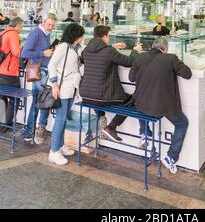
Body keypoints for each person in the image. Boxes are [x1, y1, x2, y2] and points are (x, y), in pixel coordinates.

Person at [129, 37, 192, 175]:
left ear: (152, 46)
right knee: (182, 123)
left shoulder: (140, 57)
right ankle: (171, 156)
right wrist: (177, 59)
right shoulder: (170, 59)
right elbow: (188, 74)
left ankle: (145, 133)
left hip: (140, 105)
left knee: (142, 106)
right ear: (165, 49)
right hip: (161, 107)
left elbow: (131, 78)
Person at [80, 25, 142, 142]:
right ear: (105, 37)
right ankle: (110, 128)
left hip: (86, 95)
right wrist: (135, 51)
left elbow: (96, 54)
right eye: (108, 37)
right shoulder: (109, 51)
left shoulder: (86, 50)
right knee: (133, 100)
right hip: (104, 96)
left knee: (95, 98)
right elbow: (129, 62)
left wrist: (112, 46)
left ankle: (101, 117)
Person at [48, 23, 85, 166]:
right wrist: (54, 84)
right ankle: (54, 151)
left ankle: (60, 145)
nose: (82, 38)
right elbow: (52, 64)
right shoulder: (63, 47)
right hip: (62, 89)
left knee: (63, 119)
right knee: (60, 119)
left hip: (71, 88)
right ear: (76, 36)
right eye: (81, 36)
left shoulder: (75, 48)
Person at [21, 13, 57, 144]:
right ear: (43, 21)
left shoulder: (46, 34)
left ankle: (33, 130)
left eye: (53, 25)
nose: (50, 27)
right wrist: (43, 53)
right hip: (38, 71)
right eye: (49, 24)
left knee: (40, 102)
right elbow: (25, 53)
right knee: (38, 102)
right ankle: (29, 131)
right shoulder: (36, 33)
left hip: (44, 71)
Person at [0, 18, 24, 133]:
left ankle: (1, 124)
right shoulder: (13, 34)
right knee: (14, 99)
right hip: (10, 72)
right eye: (21, 27)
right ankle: (6, 125)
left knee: (2, 98)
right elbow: (17, 52)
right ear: (18, 25)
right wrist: (22, 45)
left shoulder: (3, 32)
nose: (21, 29)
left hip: (1, 70)